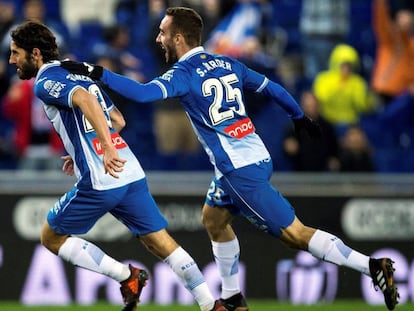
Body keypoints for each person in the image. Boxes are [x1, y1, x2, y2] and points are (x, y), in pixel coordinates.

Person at [61, 7, 400, 311]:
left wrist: (96, 71)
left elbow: (143, 92)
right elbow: (272, 88)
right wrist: (298, 117)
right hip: (253, 156)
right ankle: (233, 296)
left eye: (163, 32)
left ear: (178, 37)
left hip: (238, 171)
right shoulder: (227, 62)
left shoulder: (183, 74)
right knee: (213, 219)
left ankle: (372, 266)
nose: (158, 38)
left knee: (295, 234)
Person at [8, 21, 226, 311]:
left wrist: (104, 149)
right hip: (130, 171)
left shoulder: (46, 82)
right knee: (160, 243)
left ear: (35, 53)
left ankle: (127, 275)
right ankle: (211, 304)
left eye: (15, 53)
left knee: (51, 237)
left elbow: (85, 102)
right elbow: (118, 120)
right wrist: (81, 146)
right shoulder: (79, 74)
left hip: (102, 177)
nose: (11, 60)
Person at [312, 44, 374, 137]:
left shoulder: (358, 82)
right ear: (336, 63)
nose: (346, 68)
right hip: (327, 122)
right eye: (343, 65)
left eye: (349, 65)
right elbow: (320, 99)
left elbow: (362, 105)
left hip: (350, 124)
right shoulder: (323, 79)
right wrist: (338, 87)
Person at [283, 90, 340, 172]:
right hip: (300, 171)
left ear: (318, 106)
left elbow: (334, 149)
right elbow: (287, 148)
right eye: (307, 106)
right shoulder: (292, 126)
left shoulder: (327, 127)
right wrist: (288, 148)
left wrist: (334, 159)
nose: (309, 108)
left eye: (312, 105)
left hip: (324, 171)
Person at [371, 0, 414, 106]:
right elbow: (381, 16)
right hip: (383, 91)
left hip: (403, 96)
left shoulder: (411, 45)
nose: (406, 21)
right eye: (403, 17)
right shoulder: (388, 36)